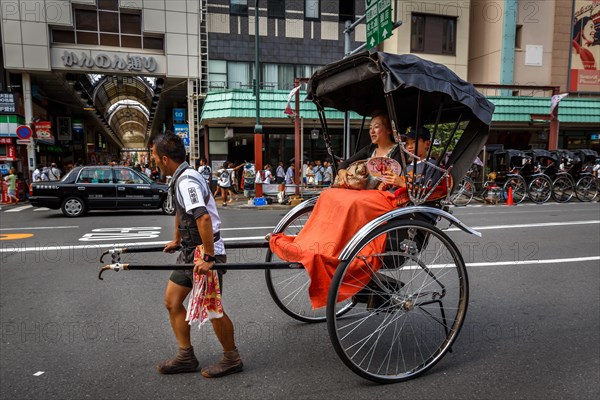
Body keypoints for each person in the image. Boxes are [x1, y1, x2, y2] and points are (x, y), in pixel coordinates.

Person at [269, 111, 439, 309]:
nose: (409, 146)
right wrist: (343, 174)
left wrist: (400, 182)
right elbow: (347, 164)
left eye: (376, 127)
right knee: (328, 196)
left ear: (387, 130)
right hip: (368, 194)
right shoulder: (374, 151)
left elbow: (411, 187)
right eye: (407, 142)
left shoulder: (412, 160)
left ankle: (338, 245)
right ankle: (317, 242)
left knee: (352, 204)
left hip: (386, 201)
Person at [151, 131, 243, 378]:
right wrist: (177, 240)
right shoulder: (180, 177)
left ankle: (232, 358)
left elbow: (202, 217)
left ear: (164, 158)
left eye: (154, 157)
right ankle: (185, 356)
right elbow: (182, 213)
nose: (153, 162)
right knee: (172, 301)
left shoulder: (186, 180)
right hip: (190, 251)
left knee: (212, 308)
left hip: (205, 251)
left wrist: (210, 258)